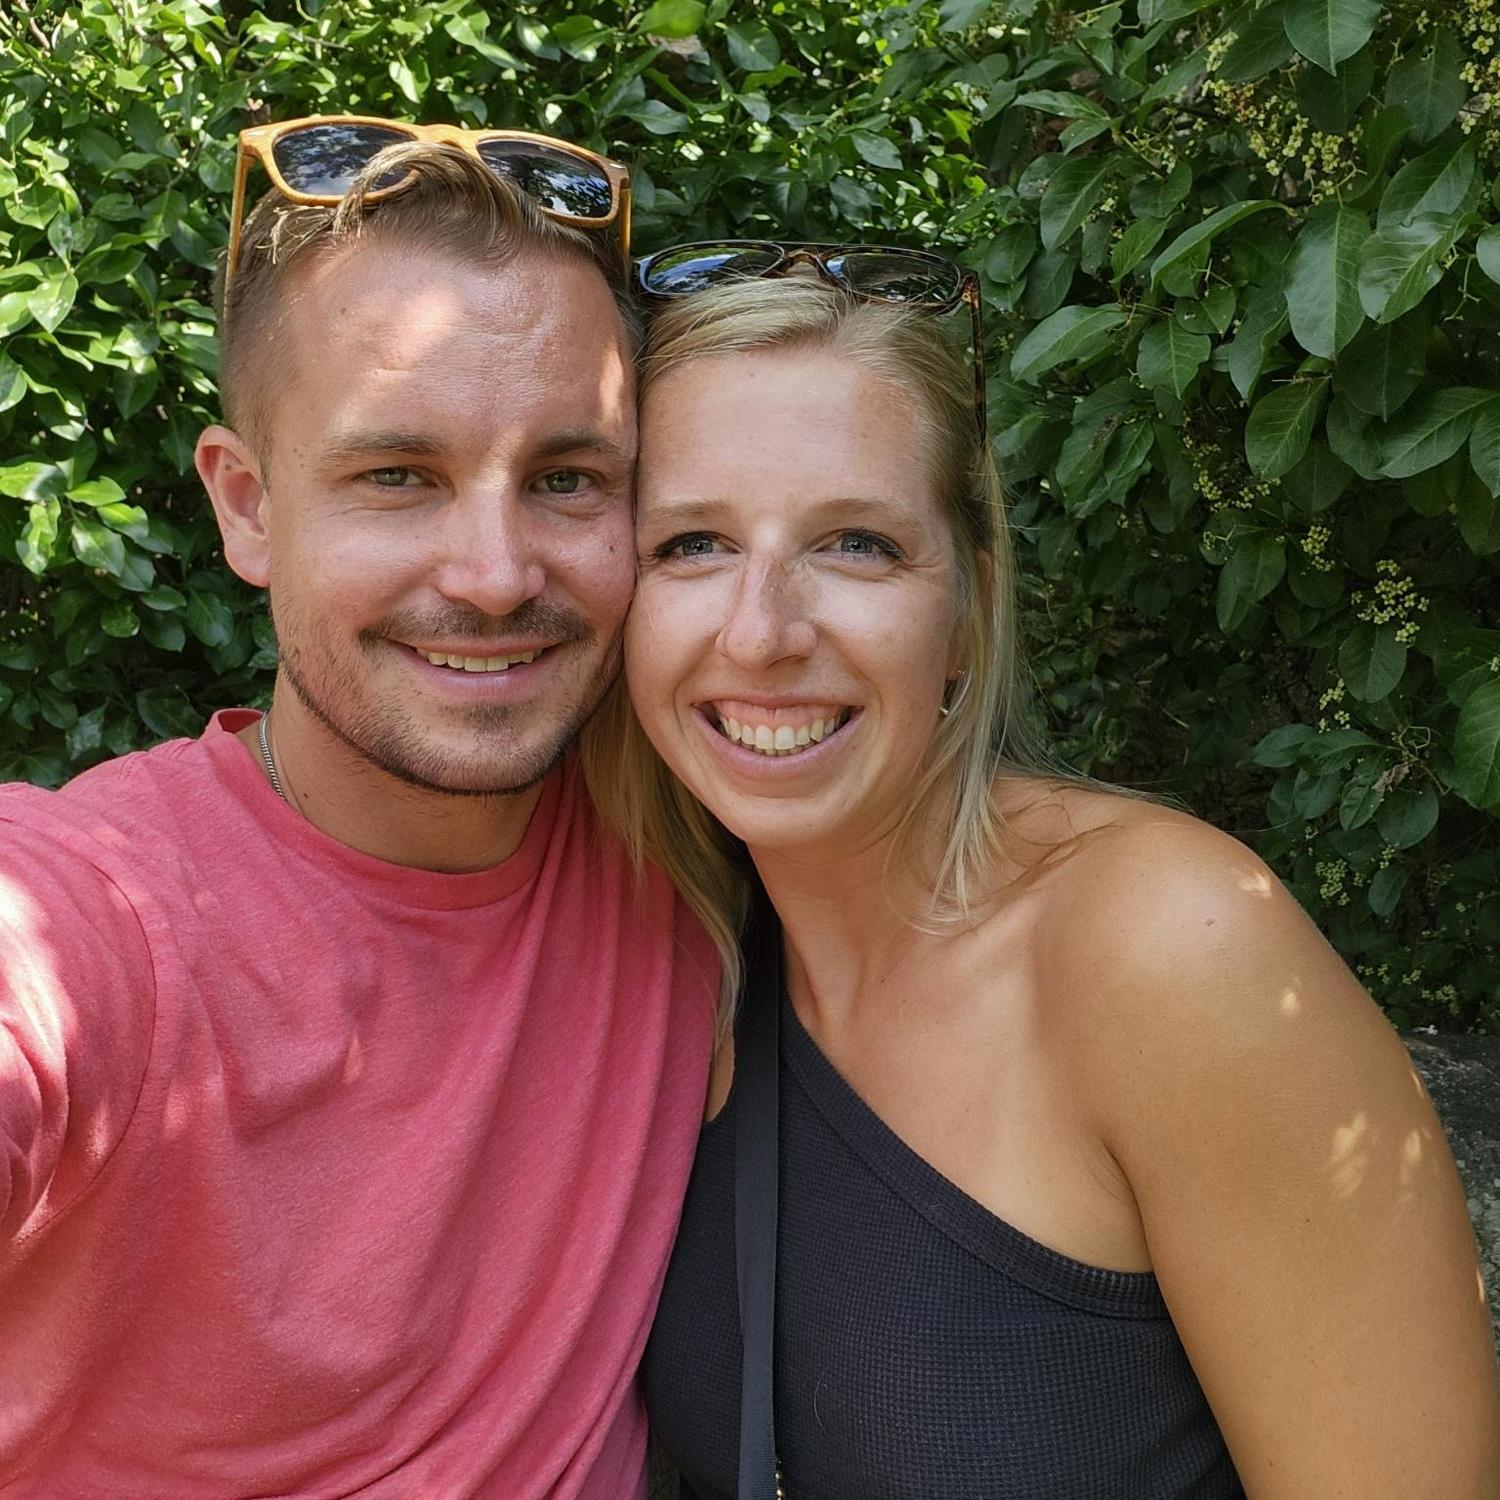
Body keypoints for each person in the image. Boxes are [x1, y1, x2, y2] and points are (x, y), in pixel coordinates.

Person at [581, 254, 1500, 1497]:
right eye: (692, 544)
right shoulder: (683, 957)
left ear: (969, 607)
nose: (761, 631)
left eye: (857, 544)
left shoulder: (1168, 949)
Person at [0, 123, 716, 1497]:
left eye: (567, 479)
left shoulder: (692, 832)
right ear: (248, 508)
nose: (497, 575)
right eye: (398, 476)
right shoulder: (99, 913)